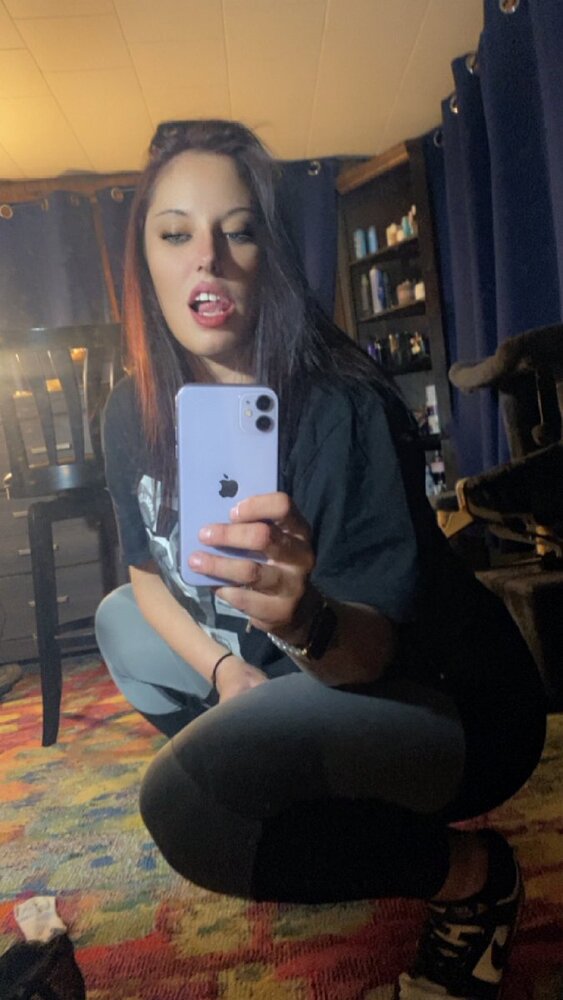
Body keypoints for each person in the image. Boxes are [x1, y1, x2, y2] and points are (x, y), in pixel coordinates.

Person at [95, 119, 546, 999]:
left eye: (238, 231)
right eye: (175, 233)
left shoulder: (341, 407)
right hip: (289, 674)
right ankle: (310, 818)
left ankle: (472, 877)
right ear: (143, 262)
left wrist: (302, 617)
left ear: (270, 253)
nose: (207, 258)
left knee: (186, 812)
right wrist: (227, 673)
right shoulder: (132, 410)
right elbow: (145, 576)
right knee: (121, 622)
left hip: (444, 703)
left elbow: (368, 655)